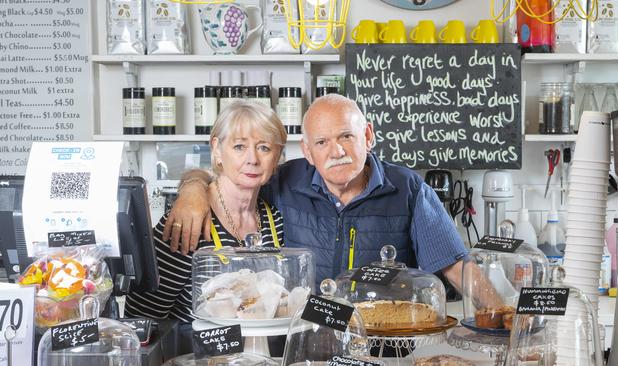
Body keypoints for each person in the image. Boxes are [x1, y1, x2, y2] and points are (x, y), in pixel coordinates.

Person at [165, 94, 470, 291]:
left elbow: (456, 268)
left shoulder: (408, 189)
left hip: (383, 346)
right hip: (305, 345)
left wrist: (502, 319)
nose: (336, 151)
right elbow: (232, 176)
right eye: (322, 142)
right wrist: (193, 189)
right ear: (308, 152)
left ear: (367, 135)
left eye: (347, 136)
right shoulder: (285, 181)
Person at [125, 100, 286, 329]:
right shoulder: (188, 221)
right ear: (217, 150)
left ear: (277, 155)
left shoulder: (274, 220)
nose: (252, 159)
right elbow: (143, 321)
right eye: (239, 147)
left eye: (264, 148)